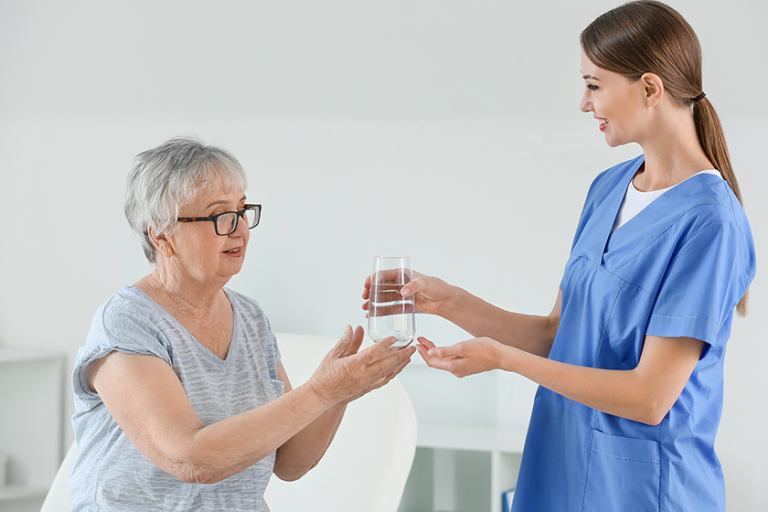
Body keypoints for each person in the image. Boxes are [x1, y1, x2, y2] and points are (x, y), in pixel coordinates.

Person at [363, 2, 755, 511]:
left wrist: (504, 361)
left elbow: (651, 398)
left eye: (594, 85)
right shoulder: (608, 188)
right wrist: (447, 301)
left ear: (651, 88)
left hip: (643, 491)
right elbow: (558, 336)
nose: (584, 103)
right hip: (562, 471)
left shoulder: (710, 223)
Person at [70, 136, 416, 512]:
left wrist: (339, 393)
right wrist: (319, 391)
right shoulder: (126, 323)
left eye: (242, 209)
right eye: (220, 215)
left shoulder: (250, 318)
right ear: (162, 234)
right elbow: (191, 459)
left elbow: (290, 461)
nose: (239, 229)